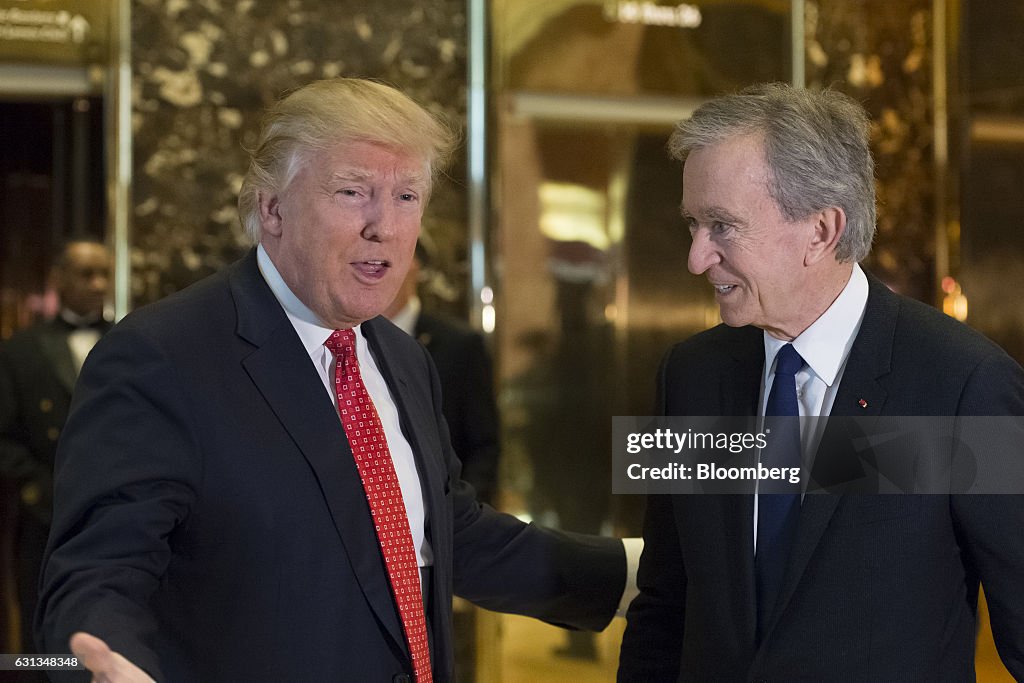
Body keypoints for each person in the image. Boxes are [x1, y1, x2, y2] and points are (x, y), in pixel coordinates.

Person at [35, 78, 629, 683]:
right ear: (272, 208)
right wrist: (105, 665)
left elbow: (442, 533)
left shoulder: (402, 357)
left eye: (406, 197)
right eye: (352, 192)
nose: (386, 228)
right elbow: (99, 576)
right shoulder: (161, 356)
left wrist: (640, 575)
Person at [617, 83, 1024, 681]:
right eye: (694, 225)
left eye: (723, 226)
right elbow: (664, 606)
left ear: (822, 230)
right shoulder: (690, 376)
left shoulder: (965, 386)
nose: (697, 258)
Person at [0, 238, 112, 665]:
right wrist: (34, 488)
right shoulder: (20, 351)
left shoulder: (135, 339)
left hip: (117, 511)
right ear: (58, 279)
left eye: (104, 274)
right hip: (46, 514)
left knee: (110, 633)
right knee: (42, 634)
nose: (98, 284)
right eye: (86, 274)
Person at [384, 240, 500, 506]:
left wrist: (460, 518)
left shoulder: (460, 345)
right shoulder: (344, 339)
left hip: (443, 519)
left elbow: (483, 447)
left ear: (417, 266)